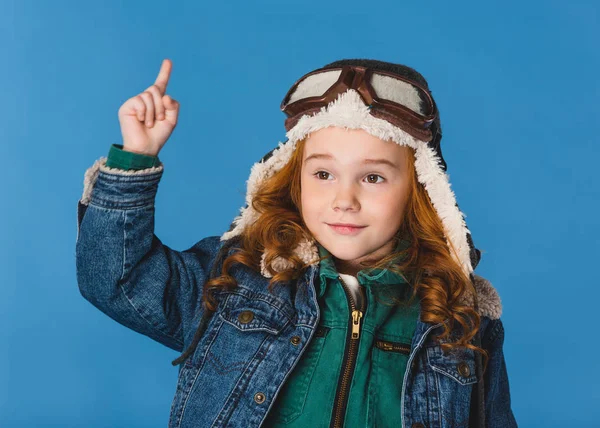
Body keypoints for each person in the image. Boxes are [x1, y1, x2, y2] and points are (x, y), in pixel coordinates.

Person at [76, 58, 518, 428]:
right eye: (323, 174)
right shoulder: (239, 276)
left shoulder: (459, 317)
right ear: (295, 178)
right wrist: (136, 157)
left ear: (420, 190)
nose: (344, 200)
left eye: (373, 177)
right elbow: (114, 278)